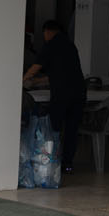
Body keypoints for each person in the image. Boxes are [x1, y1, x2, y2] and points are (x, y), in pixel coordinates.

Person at [23, 19, 88, 175]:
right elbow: (59, 74)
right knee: (72, 130)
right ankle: (67, 164)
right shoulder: (70, 46)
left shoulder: (51, 45)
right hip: (79, 93)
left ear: (48, 31)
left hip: (62, 95)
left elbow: (35, 67)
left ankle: (52, 162)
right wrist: (36, 81)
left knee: (54, 129)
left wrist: (22, 80)